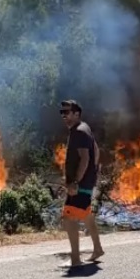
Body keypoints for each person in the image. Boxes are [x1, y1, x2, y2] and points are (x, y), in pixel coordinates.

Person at [59, 99, 104, 266]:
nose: (64, 116)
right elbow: (96, 150)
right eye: (62, 113)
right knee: (86, 215)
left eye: (67, 112)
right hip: (86, 182)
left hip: (80, 185)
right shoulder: (84, 128)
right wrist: (93, 173)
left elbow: (85, 158)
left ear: (77, 113)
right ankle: (97, 248)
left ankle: (75, 259)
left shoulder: (79, 131)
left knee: (69, 218)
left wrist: (76, 181)